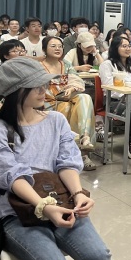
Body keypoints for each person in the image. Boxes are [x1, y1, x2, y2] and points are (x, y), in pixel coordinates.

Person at [0, 57, 114, 260]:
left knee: (99, 257)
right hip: (16, 212)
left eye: (44, 84)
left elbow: (66, 162)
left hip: (61, 200)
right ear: (16, 92)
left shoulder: (56, 120)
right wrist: (44, 207)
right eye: (36, 86)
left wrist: (78, 193)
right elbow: (12, 176)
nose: (45, 90)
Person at [40, 36, 97, 171]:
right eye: (53, 46)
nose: (58, 48)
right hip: (47, 103)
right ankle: (79, 153)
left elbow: (76, 80)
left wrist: (71, 88)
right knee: (70, 108)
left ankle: (84, 137)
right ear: (44, 49)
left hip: (67, 99)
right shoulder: (39, 66)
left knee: (84, 98)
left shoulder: (66, 64)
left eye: (60, 46)